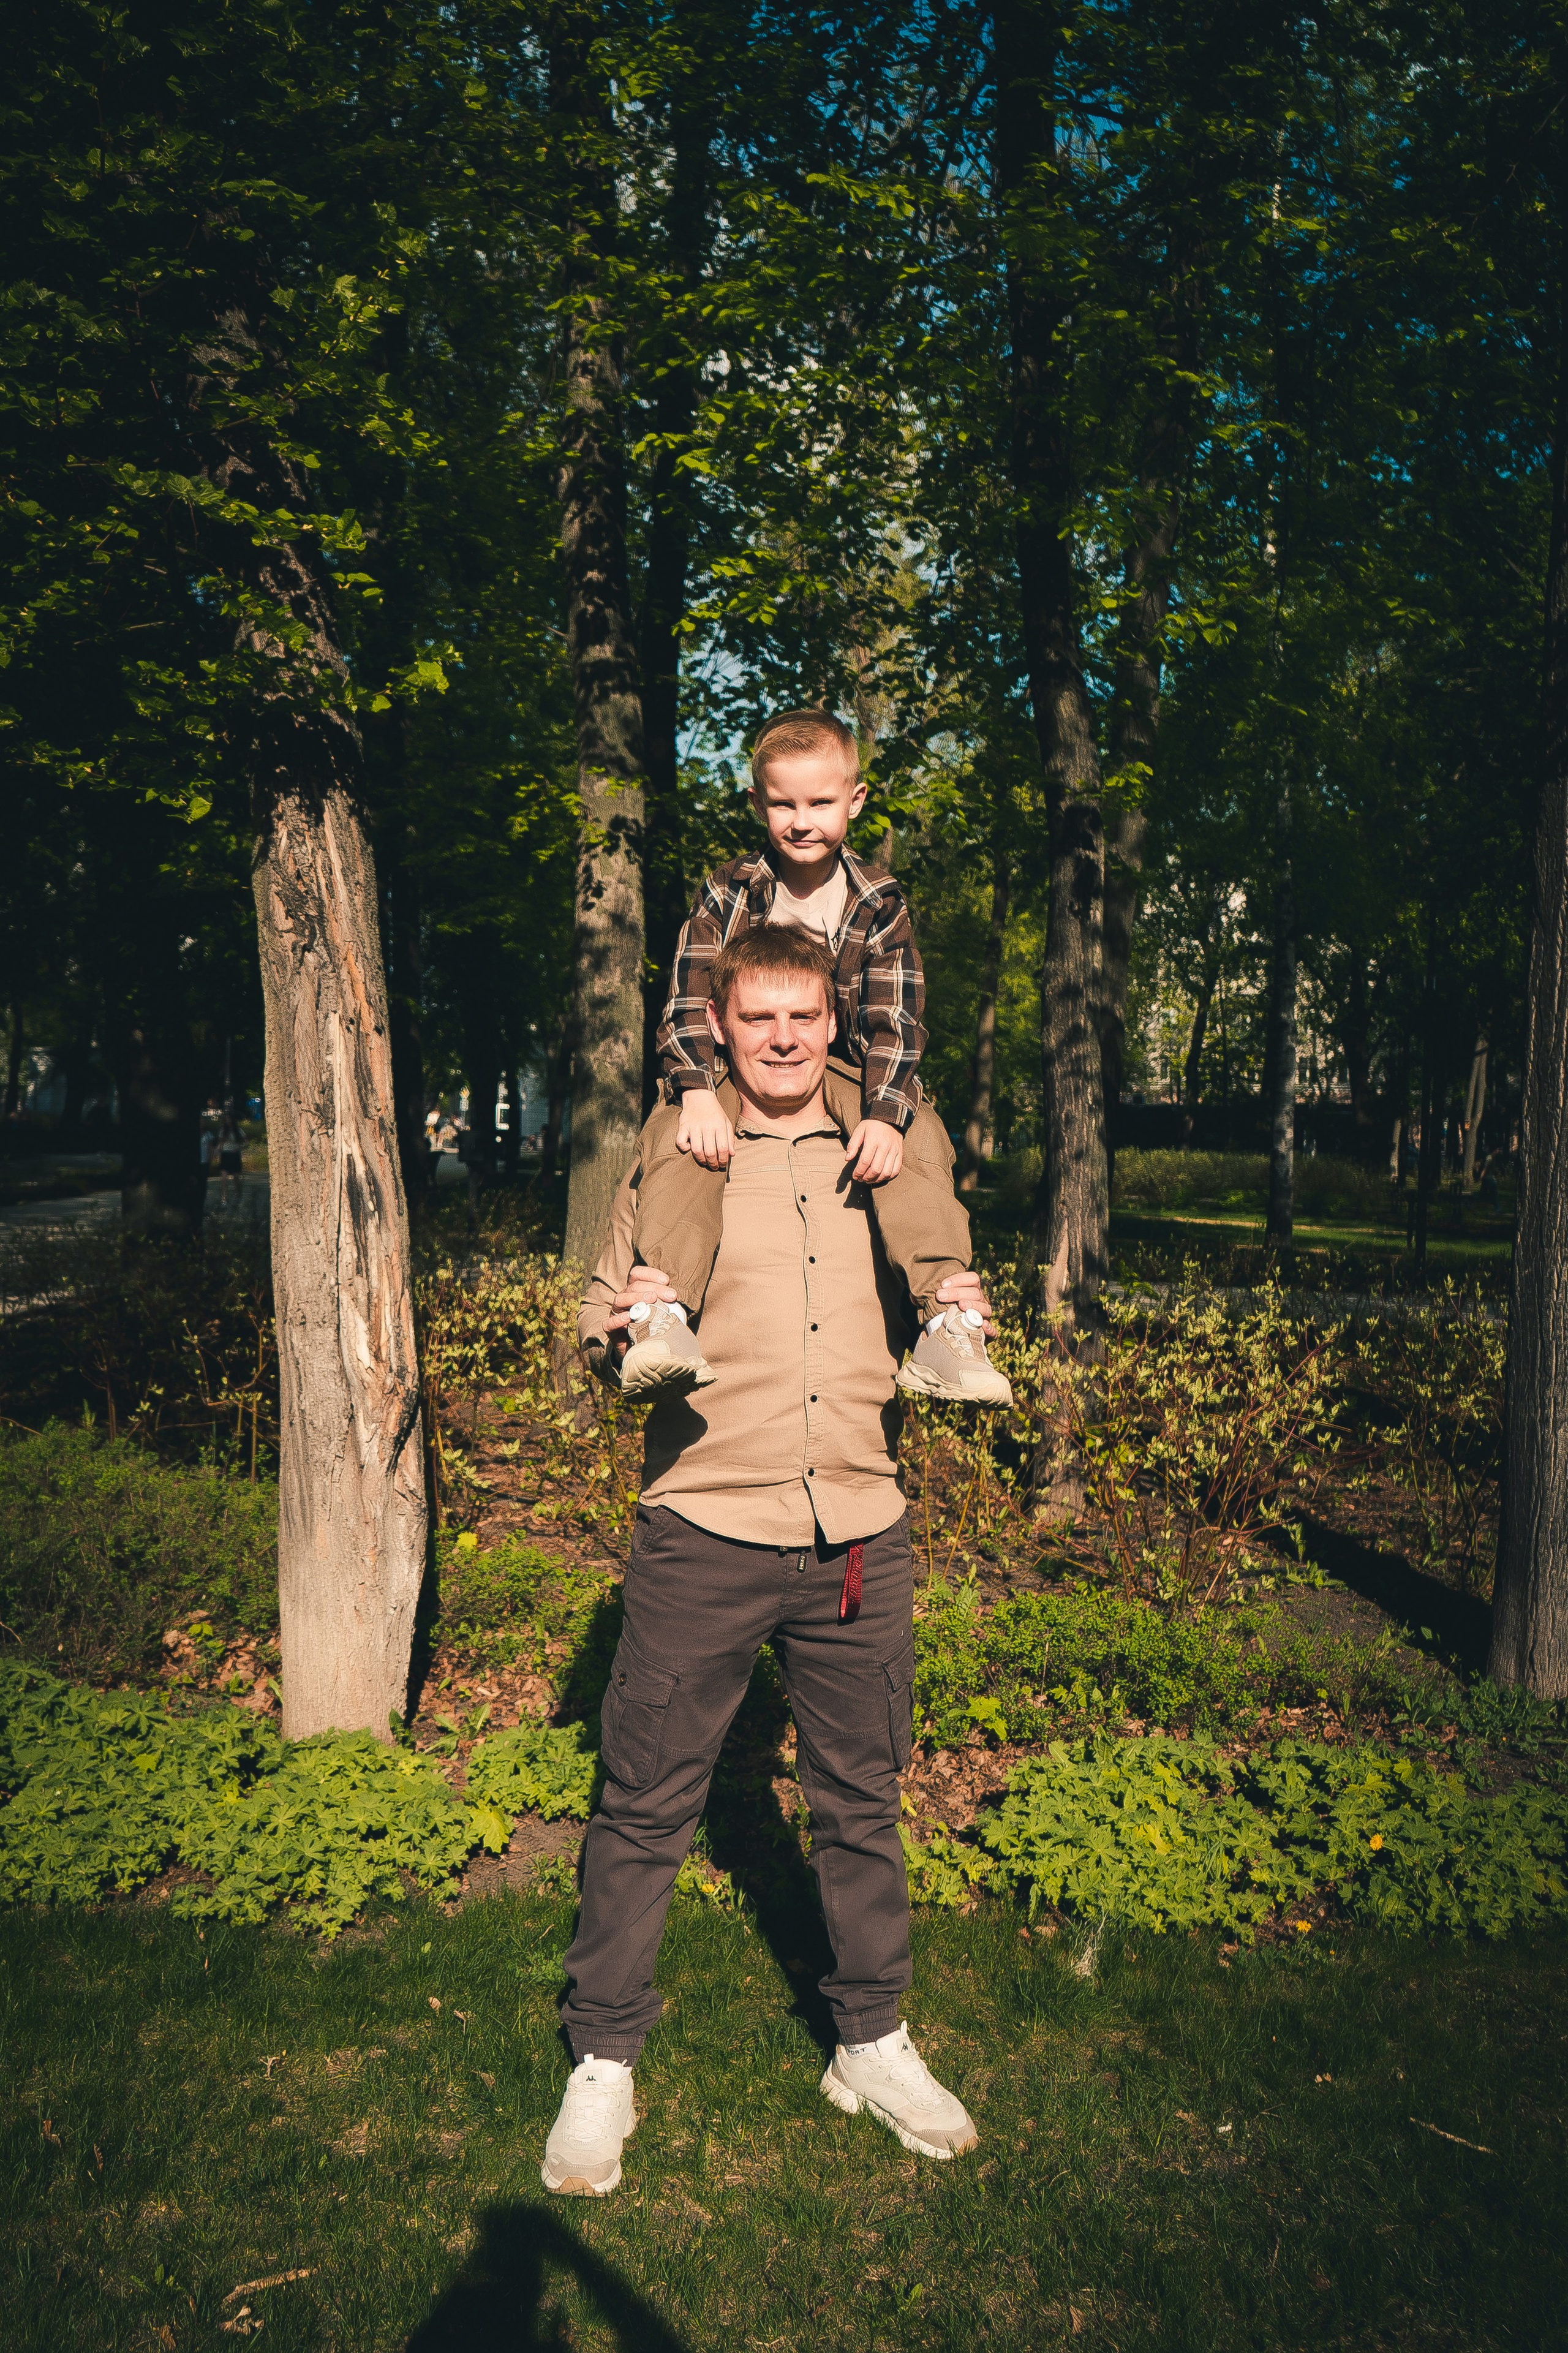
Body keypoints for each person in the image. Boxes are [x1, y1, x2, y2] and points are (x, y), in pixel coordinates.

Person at [541, 925, 986, 2198]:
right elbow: (597, 1320)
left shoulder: (887, 1144)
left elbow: (938, 1278)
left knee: (859, 1800)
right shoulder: (680, 1141)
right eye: (757, 1020)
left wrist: (962, 1306)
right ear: (720, 1027)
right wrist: (616, 1324)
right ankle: (603, 2059)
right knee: (644, 1801)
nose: (782, 1039)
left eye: (804, 1016)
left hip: (857, 1529)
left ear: (833, 1020)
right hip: (703, 1527)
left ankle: (871, 2040)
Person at [624, 707, 1010, 1410]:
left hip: (848, 1064)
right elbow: (688, 993)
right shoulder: (729, 890)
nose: (802, 821)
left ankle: (947, 1320)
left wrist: (887, 1115)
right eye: (783, 804)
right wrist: (695, 1089)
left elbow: (896, 1018)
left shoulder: (878, 901)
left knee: (918, 1135)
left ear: (854, 801)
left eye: (820, 802)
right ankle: (663, 1312)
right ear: (757, 804)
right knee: (679, 1138)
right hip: (727, 1066)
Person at [217, 1101, 244, 1210]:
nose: (228, 1121)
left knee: (236, 1177)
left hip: (235, 1155)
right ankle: (224, 1198)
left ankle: (239, 1195)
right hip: (225, 1155)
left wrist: (238, 1148)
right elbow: (220, 1143)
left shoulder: (239, 1131)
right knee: (223, 1177)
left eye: (229, 1119)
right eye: (226, 1119)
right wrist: (217, 1151)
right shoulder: (223, 1131)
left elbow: (245, 1142)